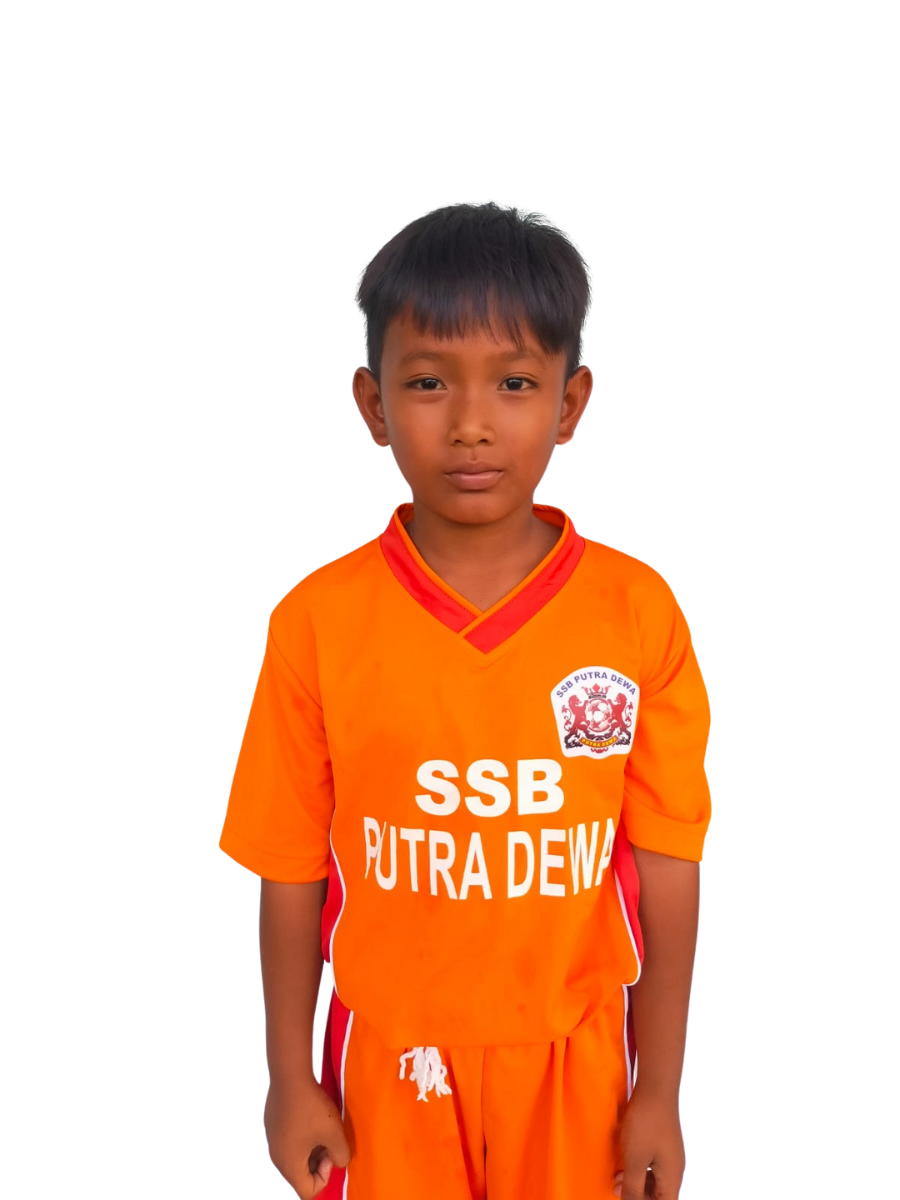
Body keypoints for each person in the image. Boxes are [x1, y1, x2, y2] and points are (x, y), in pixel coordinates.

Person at [218, 198, 712, 1199]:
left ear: (570, 404)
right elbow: (287, 867)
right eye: (429, 382)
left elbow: (668, 869)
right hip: (387, 1071)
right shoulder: (317, 620)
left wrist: (659, 1089)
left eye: (515, 383)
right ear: (372, 405)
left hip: (577, 1070)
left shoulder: (637, 612)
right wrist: (288, 1080)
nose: (472, 423)